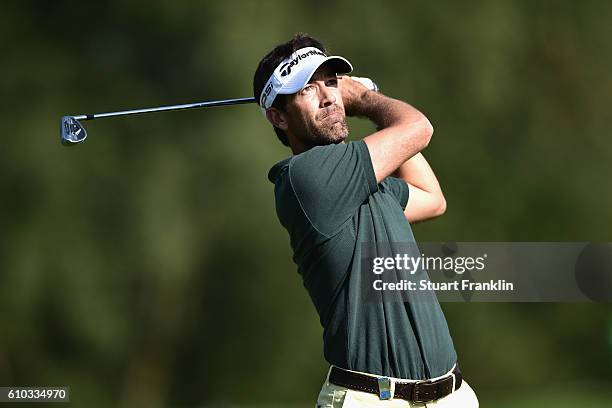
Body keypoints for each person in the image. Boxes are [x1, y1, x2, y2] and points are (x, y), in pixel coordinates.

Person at [253, 33, 479, 407]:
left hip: (450, 396)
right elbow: (419, 129)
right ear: (278, 116)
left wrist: (377, 118)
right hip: (372, 399)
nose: (329, 97)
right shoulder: (306, 177)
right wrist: (367, 101)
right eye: (308, 89)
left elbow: (432, 199)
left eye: (331, 83)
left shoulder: (363, 183)